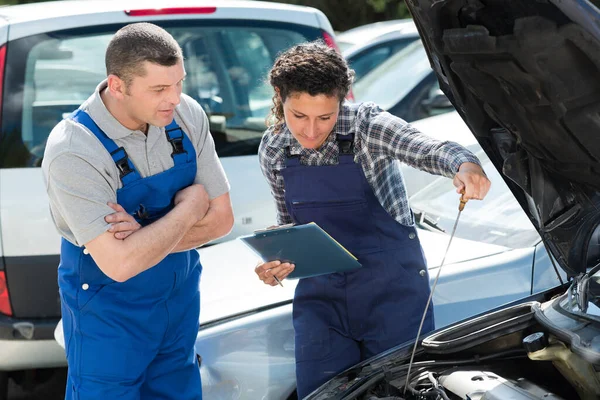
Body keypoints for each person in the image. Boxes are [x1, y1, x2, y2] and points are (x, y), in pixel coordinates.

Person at [254, 40, 491, 398]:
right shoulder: (273, 148)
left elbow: (429, 148)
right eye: (298, 116)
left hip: (393, 298)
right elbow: (291, 228)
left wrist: (465, 165)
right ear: (279, 96)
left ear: (342, 99)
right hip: (323, 306)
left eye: (325, 117)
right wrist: (277, 260)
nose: (312, 131)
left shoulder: (367, 126)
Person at [42, 23, 233, 400]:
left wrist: (144, 238)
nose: (174, 99)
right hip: (109, 318)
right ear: (117, 86)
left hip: (177, 306)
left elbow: (223, 220)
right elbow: (120, 264)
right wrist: (190, 208)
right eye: (159, 89)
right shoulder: (74, 150)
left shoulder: (186, 115)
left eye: (178, 83)